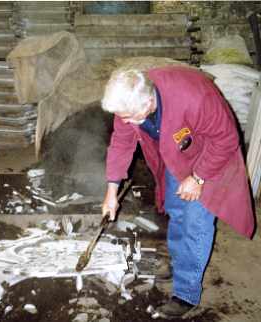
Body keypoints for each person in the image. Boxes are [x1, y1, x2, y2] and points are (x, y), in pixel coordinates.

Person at [101, 66, 254, 318]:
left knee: (196, 222)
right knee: (176, 210)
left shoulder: (193, 98)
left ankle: (186, 293)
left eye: (128, 117)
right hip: (179, 151)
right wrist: (111, 192)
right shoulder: (129, 101)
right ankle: (177, 262)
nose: (124, 121)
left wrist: (198, 177)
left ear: (149, 103)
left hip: (212, 155)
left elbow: (226, 139)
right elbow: (121, 144)